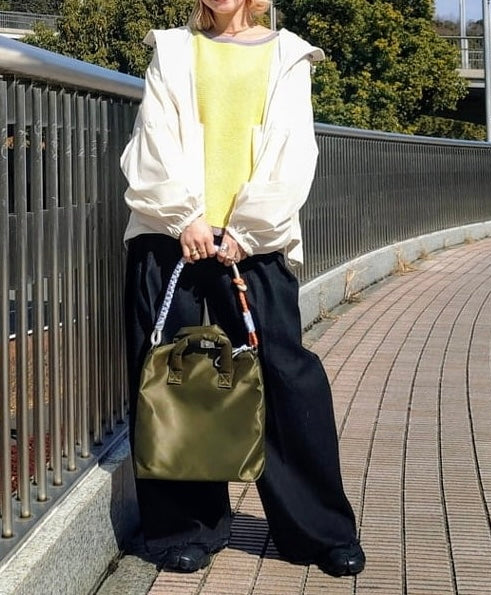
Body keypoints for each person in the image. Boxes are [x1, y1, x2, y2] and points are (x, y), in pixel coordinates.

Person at [121, 0, 365, 578]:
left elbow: (294, 150)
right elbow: (152, 138)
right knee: (177, 382)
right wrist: (184, 218)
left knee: (285, 376)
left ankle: (320, 530)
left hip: (254, 242)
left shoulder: (288, 55)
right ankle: (186, 528)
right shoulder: (172, 49)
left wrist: (248, 230)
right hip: (172, 237)